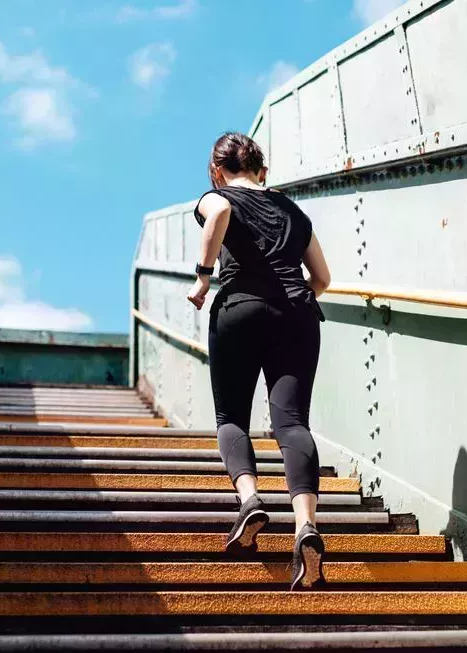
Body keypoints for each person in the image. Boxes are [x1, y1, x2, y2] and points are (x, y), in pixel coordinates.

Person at [188, 132, 332, 590]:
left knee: (231, 417)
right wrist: (292, 297)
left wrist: (203, 280)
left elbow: (221, 213)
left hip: (239, 310)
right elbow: (323, 278)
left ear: (217, 171)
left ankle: (250, 501)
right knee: (292, 424)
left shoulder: (216, 196)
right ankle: (306, 527)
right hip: (297, 312)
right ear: (262, 171)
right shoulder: (294, 211)